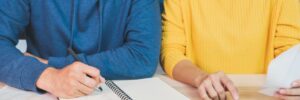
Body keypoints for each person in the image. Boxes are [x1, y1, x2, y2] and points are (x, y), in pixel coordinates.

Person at [0, 0, 161, 99]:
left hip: (114, 90)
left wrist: (51, 63)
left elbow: (143, 56)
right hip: (43, 91)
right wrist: (48, 76)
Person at [161, 0, 300, 100]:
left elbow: (290, 49)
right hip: (201, 95)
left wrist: (294, 79)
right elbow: (171, 51)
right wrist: (200, 77)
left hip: (264, 96)